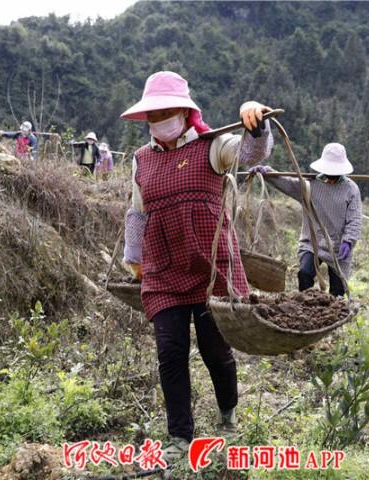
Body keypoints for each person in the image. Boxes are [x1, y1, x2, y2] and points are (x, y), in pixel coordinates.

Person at [121, 71, 273, 461]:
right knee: (170, 351)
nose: (159, 121)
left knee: (215, 350)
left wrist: (256, 124)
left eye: (167, 112)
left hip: (211, 269)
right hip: (163, 269)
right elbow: (138, 212)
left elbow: (250, 155)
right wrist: (133, 259)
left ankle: (228, 416)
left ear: (186, 112)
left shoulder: (213, 145)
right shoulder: (142, 160)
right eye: (153, 115)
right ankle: (179, 438)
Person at [249, 143, 362, 296]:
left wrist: (348, 241)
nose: (331, 176)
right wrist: (268, 173)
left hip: (337, 245)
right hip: (312, 243)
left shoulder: (351, 189)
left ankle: (333, 314)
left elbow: (354, 219)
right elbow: (287, 183)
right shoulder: (310, 185)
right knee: (304, 274)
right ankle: (307, 307)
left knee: (338, 290)